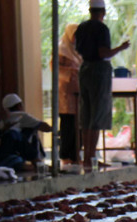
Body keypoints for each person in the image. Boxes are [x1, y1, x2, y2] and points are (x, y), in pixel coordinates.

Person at [75, 0, 130, 171]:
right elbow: (103, 53)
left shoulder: (81, 28)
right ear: (103, 12)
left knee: (87, 114)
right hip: (98, 70)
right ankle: (91, 157)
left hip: (84, 69)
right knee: (97, 115)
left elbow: (79, 49)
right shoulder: (101, 29)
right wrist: (120, 48)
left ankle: (87, 157)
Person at [0, 93, 52, 171]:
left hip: (4, 151)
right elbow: (46, 128)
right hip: (17, 145)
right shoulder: (22, 116)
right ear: (19, 106)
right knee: (32, 130)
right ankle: (37, 162)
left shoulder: (0, 118)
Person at [55, 23, 83, 165]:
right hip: (66, 92)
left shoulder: (78, 50)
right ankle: (66, 156)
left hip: (78, 92)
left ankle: (76, 154)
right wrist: (70, 72)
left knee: (79, 124)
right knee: (68, 125)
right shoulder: (61, 49)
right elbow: (55, 68)